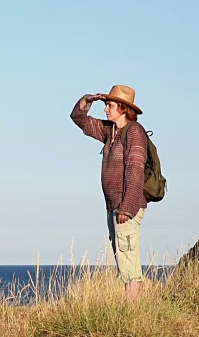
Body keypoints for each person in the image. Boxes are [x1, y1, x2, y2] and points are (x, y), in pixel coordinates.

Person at [70, 84, 148, 300]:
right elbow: (80, 120)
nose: (106, 109)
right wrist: (87, 100)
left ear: (123, 108)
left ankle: (134, 313)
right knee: (122, 260)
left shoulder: (134, 132)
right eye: (106, 105)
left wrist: (128, 207)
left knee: (128, 261)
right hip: (113, 206)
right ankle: (132, 310)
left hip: (126, 208)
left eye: (110, 105)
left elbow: (135, 170)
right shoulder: (110, 131)